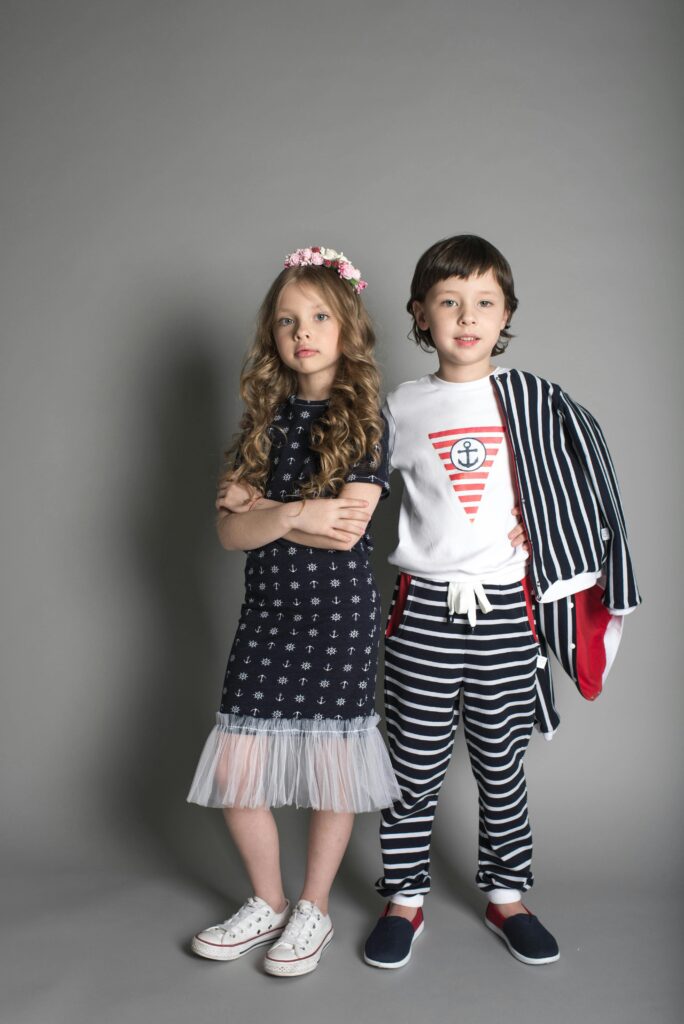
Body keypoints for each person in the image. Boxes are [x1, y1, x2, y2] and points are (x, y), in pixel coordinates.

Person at [363, 235, 641, 970]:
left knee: (500, 761)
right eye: (449, 302)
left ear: (507, 314)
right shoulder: (403, 406)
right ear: (420, 314)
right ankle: (404, 898)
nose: (467, 316)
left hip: (506, 609)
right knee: (412, 762)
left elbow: (579, 482)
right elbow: (356, 492)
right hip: (421, 608)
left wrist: (546, 522)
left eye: (485, 302)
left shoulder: (533, 400)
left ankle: (506, 895)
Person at [188, 247, 399, 977]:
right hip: (267, 617)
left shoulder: (366, 418)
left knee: (331, 769)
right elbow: (227, 534)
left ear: (346, 327)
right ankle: (267, 900)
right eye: (287, 320)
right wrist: (293, 513)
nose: (302, 332)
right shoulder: (261, 421)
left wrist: (273, 510)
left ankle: (312, 909)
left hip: (338, 616)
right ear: (272, 335)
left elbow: (346, 530)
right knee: (241, 768)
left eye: (316, 317)